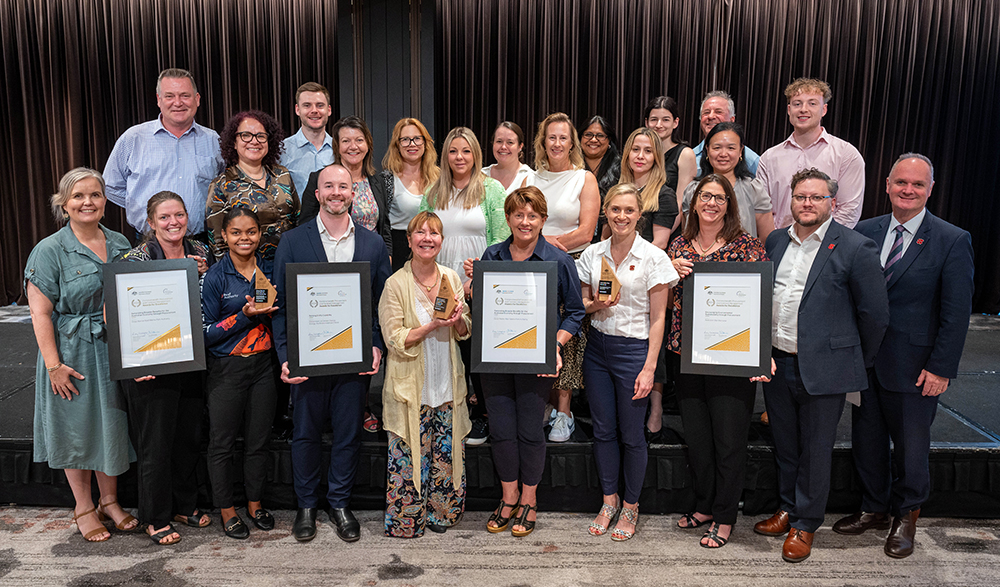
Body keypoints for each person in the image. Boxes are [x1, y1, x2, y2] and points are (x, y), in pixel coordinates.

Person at [835, 154, 974, 558]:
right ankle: (874, 508)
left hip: (916, 368)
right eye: (901, 183)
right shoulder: (864, 232)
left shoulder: (952, 239)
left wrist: (942, 367)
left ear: (930, 190)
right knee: (867, 439)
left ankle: (907, 515)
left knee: (912, 448)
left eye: (917, 184)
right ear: (887, 185)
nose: (908, 190)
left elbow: (955, 312)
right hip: (866, 363)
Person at [752, 168, 888, 563]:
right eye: (800, 197)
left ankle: (806, 524)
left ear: (832, 202)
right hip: (778, 364)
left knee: (815, 451)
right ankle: (787, 508)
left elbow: (875, 316)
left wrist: (851, 363)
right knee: (786, 445)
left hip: (825, 370)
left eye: (815, 197)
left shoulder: (855, 247)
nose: (807, 204)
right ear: (790, 201)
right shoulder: (776, 241)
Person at [271, 163, 391, 543]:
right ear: (318, 194)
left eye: (344, 186)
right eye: (329, 186)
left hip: (354, 357)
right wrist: (285, 354)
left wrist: (376, 345)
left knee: (348, 433)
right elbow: (281, 305)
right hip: (307, 358)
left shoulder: (372, 244)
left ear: (353, 193)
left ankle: (339, 503)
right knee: (305, 434)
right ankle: (306, 505)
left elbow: (381, 305)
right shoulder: (292, 241)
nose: (337, 192)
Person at [463, 186, 585, 537]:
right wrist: (472, 289)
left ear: (543, 219)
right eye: (518, 214)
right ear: (508, 218)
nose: (525, 221)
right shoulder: (493, 254)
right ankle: (508, 496)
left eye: (533, 215)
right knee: (501, 430)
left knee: (530, 431)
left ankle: (529, 500)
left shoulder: (559, 260)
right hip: (496, 359)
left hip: (537, 361)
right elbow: (483, 308)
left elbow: (575, 314)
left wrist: (554, 346)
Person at [24, 168, 136, 543]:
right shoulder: (50, 249)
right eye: (78, 196)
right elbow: (40, 313)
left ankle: (110, 500)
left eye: (95, 195)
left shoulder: (120, 242)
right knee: (77, 429)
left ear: (105, 200)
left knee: (112, 425)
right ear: (64, 204)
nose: (87, 202)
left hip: (113, 350)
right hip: (71, 352)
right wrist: (54, 366)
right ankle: (83, 507)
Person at [667, 175, 768, 548]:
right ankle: (705, 505)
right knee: (699, 440)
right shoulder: (677, 247)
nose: (711, 203)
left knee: (729, 441)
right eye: (705, 197)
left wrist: (762, 356)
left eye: (719, 198)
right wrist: (668, 273)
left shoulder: (748, 247)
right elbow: (664, 298)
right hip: (687, 357)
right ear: (694, 203)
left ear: (729, 204)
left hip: (733, 360)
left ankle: (725, 517)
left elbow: (760, 303)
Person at [578, 184, 676, 541]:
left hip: (634, 352)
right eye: (615, 209)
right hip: (597, 350)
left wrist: (650, 367)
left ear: (639, 215)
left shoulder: (654, 257)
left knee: (632, 435)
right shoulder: (592, 254)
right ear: (606, 211)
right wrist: (596, 306)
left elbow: (658, 319)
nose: (621, 216)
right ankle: (608, 501)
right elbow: (584, 304)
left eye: (629, 210)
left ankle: (631, 507)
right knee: (603, 430)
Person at [119, 191, 214, 545]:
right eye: (164, 218)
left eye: (179, 215)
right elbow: (116, 313)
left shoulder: (203, 252)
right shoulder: (133, 258)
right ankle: (155, 517)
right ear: (150, 222)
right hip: (150, 364)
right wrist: (133, 362)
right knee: (155, 443)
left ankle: (184, 505)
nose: (173, 223)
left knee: (188, 437)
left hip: (190, 357)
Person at [379, 211, 472, 538]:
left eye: (434, 233)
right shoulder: (395, 284)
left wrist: (458, 320)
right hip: (409, 388)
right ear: (409, 240)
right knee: (409, 461)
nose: (427, 238)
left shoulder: (451, 278)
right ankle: (407, 522)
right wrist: (433, 325)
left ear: (441, 241)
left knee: (445, 456)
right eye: (420, 232)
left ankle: (442, 515)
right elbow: (394, 339)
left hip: (446, 384)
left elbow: (464, 331)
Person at [420, 127, 510, 446]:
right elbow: (423, 235)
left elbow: (501, 238)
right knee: (444, 350)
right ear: (445, 156)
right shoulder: (433, 191)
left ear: (476, 155)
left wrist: (479, 275)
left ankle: (482, 415)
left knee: (476, 353)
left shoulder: (492, 189)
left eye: (466, 151)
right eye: (454, 151)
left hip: (477, 284)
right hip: (439, 282)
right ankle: (449, 414)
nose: (460, 157)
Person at [202, 207, 280, 540]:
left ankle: (254, 503)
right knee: (221, 444)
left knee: (258, 442)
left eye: (251, 232)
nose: (244, 238)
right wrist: (246, 316)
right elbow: (206, 333)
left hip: (263, 367)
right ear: (224, 236)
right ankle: (227, 510)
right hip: (225, 370)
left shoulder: (270, 269)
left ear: (260, 235)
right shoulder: (215, 277)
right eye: (236, 232)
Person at [526, 112, 600, 442]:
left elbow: (587, 231)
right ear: (543, 142)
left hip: (570, 264)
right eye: (551, 137)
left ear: (572, 143)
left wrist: (551, 244)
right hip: (534, 268)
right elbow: (522, 221)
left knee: (566, 337)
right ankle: (544, 403)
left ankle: (565, 412)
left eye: (563, 138)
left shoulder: (584, 178)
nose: (557, 143)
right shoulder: (531, 179)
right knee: (537, 335)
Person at [104, 68, 223, 240]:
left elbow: (224, 189)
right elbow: (111, 186)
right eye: (169, 96)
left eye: (185, 95)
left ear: (197, 99)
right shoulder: (133, 138)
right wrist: (142, 208)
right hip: (148, 241)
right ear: (159, 100)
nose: (178, 102)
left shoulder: (214, 141)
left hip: (201, 241)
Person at [757, 78, 865, 230]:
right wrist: (777, 240)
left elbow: (849, 211)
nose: (803, 109)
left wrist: (819, 242)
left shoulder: (846, 155)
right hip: (779, 245)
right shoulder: (769, 158)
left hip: (826, 247)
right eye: (797, 104)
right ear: (789, 110)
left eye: (812, 103)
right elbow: (762, 210)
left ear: (824, 110)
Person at [205, 110, 298, 262]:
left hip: (287, 263)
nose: (254, 141)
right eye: (246, 135)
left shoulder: (283, 175)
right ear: (234, 142)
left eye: (261, 136)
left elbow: (297, 221)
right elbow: (218, 242)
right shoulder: (221, 185)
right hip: (246, 270)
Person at [299, 116, 393, 254]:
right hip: (332, 256)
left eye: (359, 140)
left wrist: (387, 256)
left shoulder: (377, 182)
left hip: (372, 256)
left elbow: (384, 227)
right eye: (346, 141)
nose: (353, 146)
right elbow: (306, 225)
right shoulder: (319, 178)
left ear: (368, 144)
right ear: (337, 146)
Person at [682, 122, 773, 241]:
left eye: (731, 148)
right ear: (707, 150)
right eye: (717, 147)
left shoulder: (753, 189)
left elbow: (767, 237)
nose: (723, 154)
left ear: (741, 151)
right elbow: (688, 234)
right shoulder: (693, 190)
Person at [380, 118, 440, 272]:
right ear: (397, 145)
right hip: (399, 251)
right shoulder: (387, 179)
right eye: (405, 139)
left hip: (434, 248)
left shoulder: (440, 178)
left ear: (425, 143)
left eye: (417, 139)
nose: (412, 144)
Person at [612, 127, 678, 248]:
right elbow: (605, 236)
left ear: (656, 157)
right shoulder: (615, 190)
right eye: (636, 149)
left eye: (648, 151)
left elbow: (659, 244)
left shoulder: (664, 195)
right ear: (627, 153)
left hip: (645, 263)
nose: (640, 156)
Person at [280, 82, 335, 203]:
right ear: (297, 110)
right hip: (296, 221)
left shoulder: (340, 149)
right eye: (307, 105)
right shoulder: (282, 150)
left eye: (320, 105)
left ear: (329, 110)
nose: (314, 111)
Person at [643, 96, 697, 206]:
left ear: (675, 123)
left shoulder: (685, 154)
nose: (659, 125)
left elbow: (681, 202)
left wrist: (664, 224)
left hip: (669, 220)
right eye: (654, 119)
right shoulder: (640, 153)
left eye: (665, 120)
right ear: (646, 122)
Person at [692, 91, 761, 175]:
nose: (711, 116)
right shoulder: (691, 157)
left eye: (718, 112)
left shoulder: (752, 160)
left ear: (732, 120)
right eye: (706, 112)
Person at [483, 121, 533, 195]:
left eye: (510, 142)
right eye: (499, 141)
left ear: (520, 146)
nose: (503, 147)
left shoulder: (531, 177)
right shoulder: (482, 175)